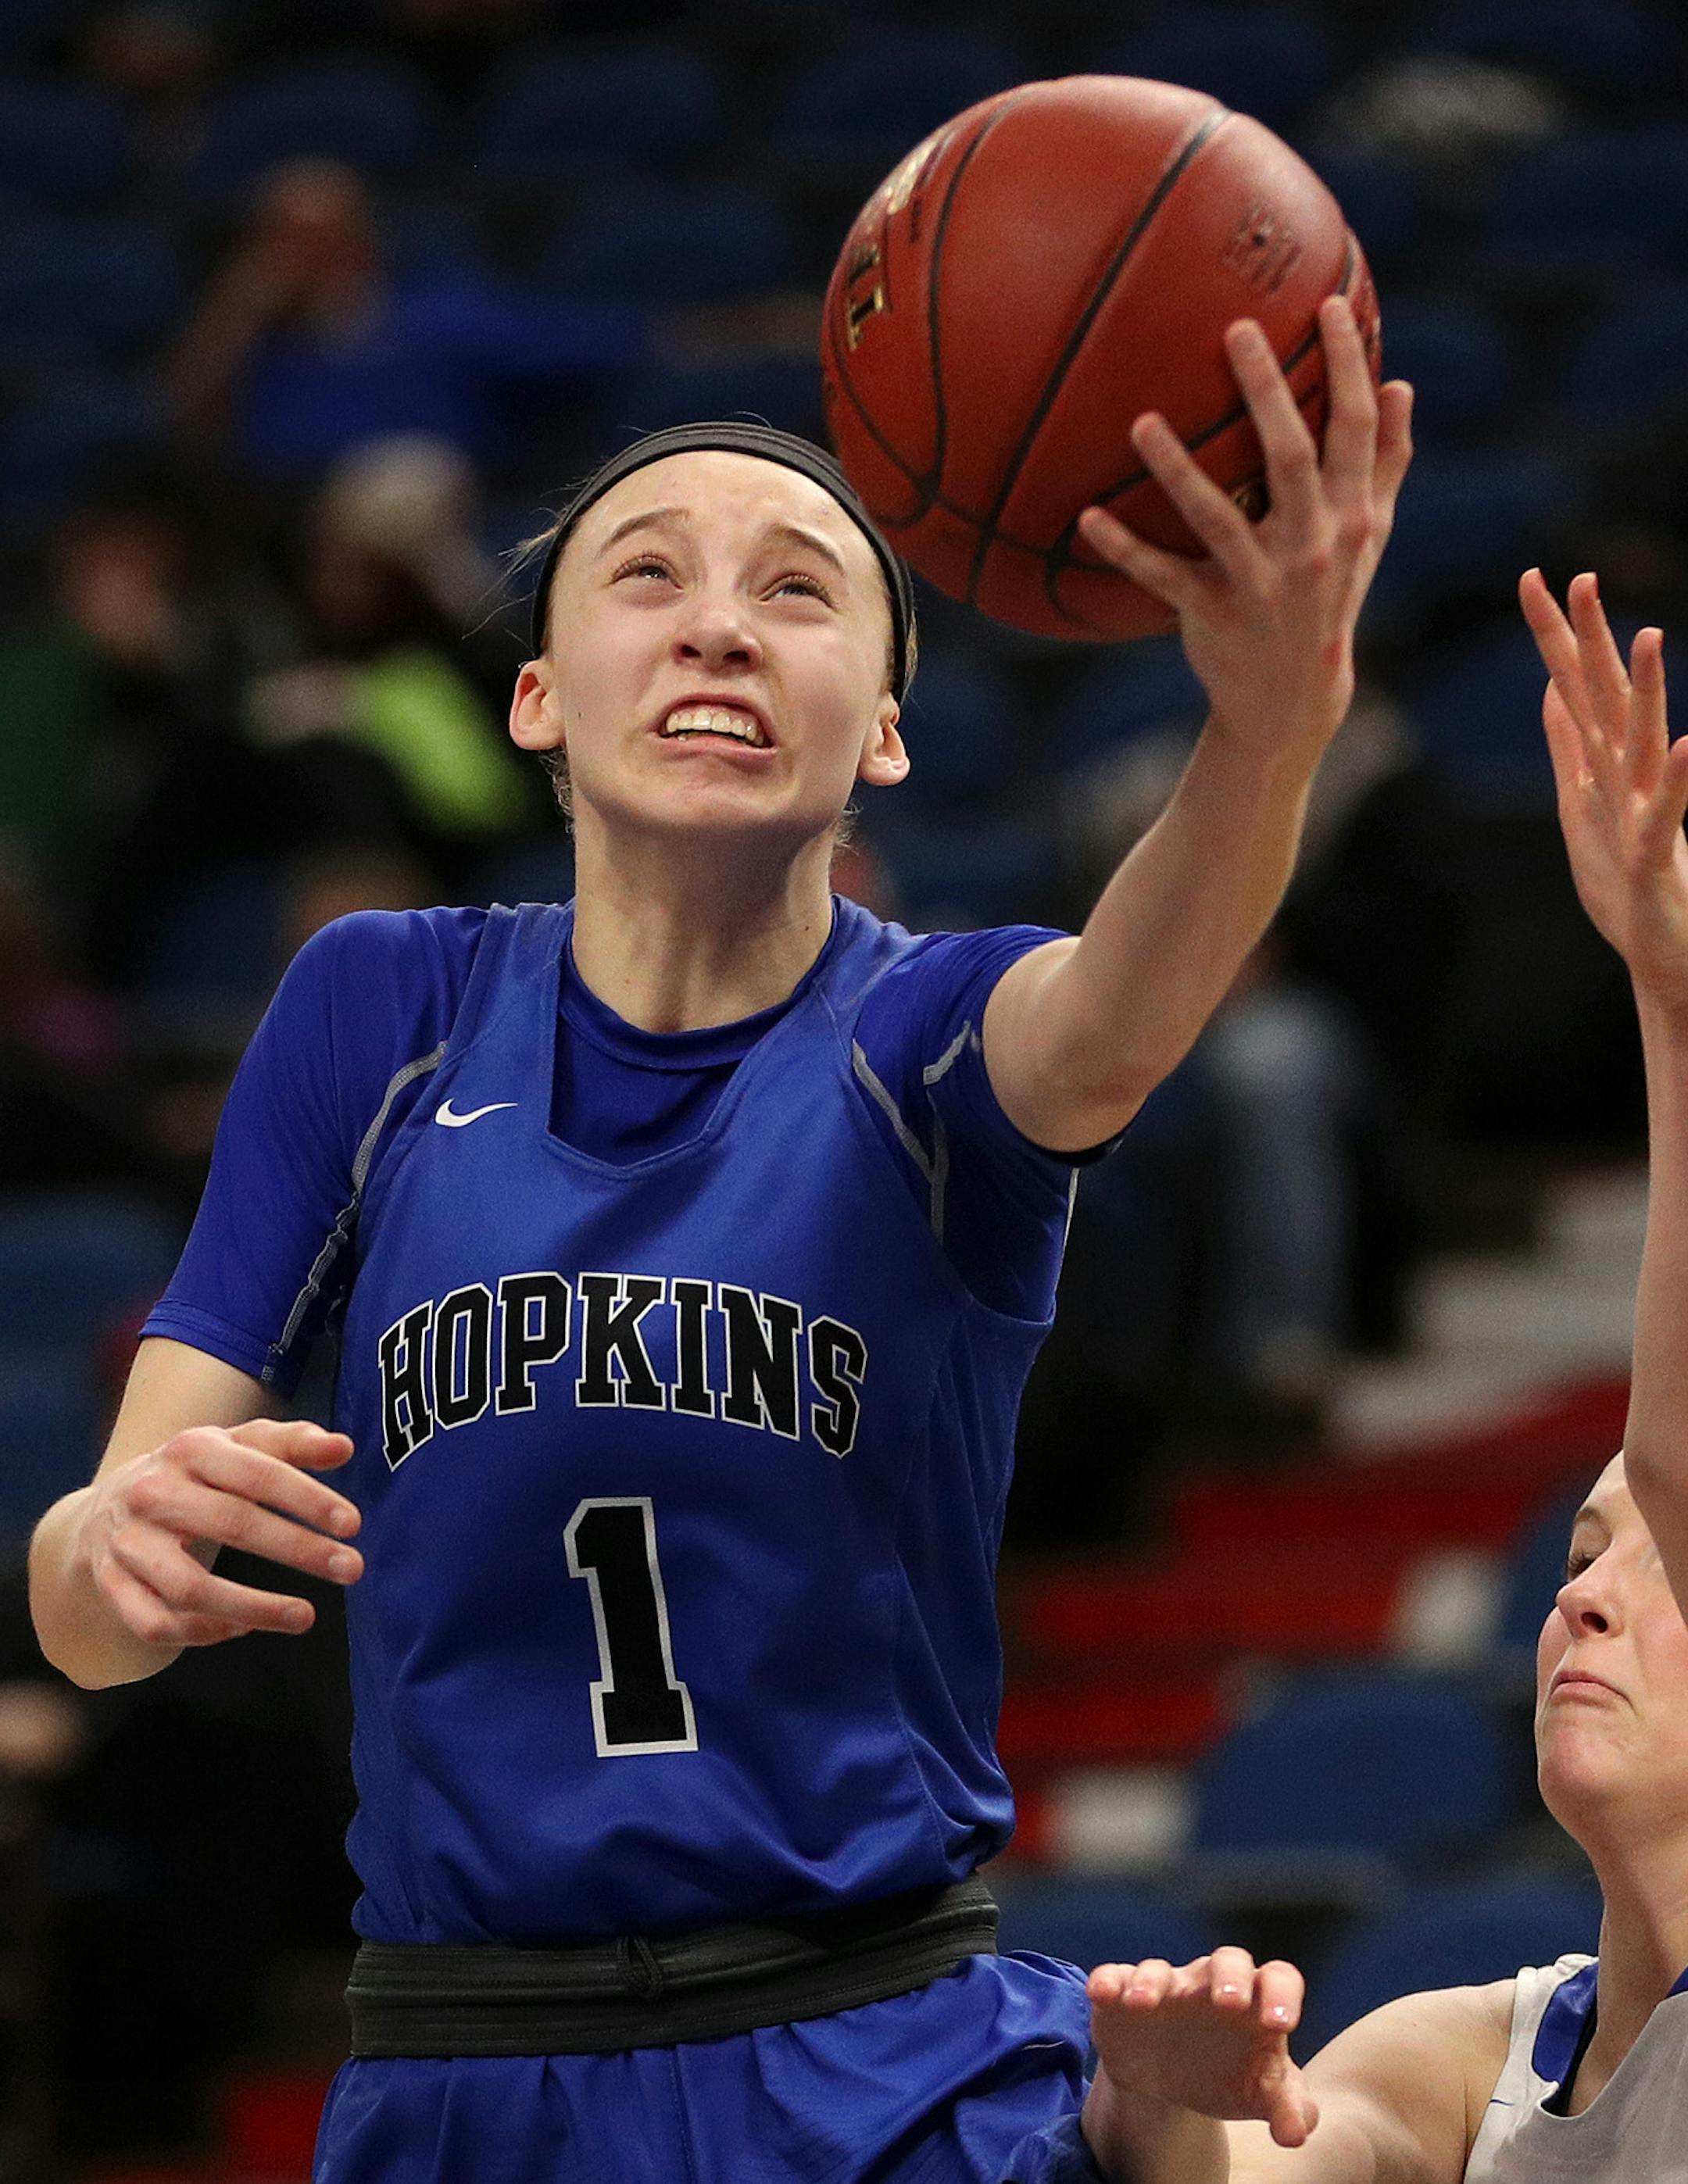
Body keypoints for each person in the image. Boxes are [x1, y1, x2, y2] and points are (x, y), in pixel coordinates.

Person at [28, 298, 1411, 2184]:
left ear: (889, 737)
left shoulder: (925, 1043)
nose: (719, 622)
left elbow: (1125, 1009)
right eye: (649, 573)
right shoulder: (378, 1006)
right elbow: (86, 1596)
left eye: (800, 591)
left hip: (870, 2058)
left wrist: (1271, 724)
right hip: (460, 2074)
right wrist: (110, 1553)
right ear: (537, 694)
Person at [1070, 568, 1688, 2184]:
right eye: (1575, 1556)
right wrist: (1168, 2112)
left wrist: (1673, 995)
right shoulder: (1464, 2047)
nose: (1586, 1599)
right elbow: (1264, 2175)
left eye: (1656, 1555)